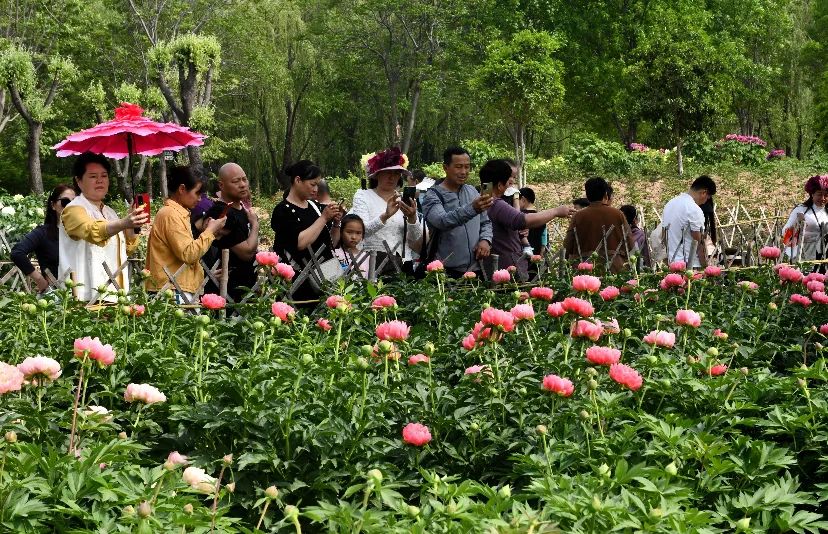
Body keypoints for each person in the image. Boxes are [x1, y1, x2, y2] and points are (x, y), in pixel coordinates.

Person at [59, 152, 148, 302]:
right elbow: (91, 230)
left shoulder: (110, 212)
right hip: (85, 297)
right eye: (93, 176)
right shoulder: (73, 209)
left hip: (115, 295)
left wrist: (133, 225)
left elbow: (126, 249)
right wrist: (124, 223)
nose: (100, 181)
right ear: (79, 181)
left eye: (104, 176)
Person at [145, 166, 226, 302]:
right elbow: (188, 254)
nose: (200, 199)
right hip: (171, 290)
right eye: (197, 193)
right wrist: (210, 231)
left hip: (178, 287)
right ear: (182, 189)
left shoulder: (178, 213)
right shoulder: (170, 214)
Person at [482, 159, 571, 279]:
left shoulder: (481, 200)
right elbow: (521, 220)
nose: (511, 183)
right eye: (508, 181)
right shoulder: (496, 204)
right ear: (499, 185)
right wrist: (556, 211)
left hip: (493, 266)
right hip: (506, 269)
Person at [271, 160, 343, 301]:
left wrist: (336, 223)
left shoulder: (315, 206)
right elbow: (300, 243)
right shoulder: (283, 211)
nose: (316, 189)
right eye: (312, 184)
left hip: (325, 277)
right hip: (299, 283)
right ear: (298, 180)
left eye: (317, 184)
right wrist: (323, 218)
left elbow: (331, 243)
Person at [422, 147, 494, 277]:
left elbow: (486, 222)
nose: (464, 172)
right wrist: (472, 209)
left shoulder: (472, 191)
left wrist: (485, 240)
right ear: (445, 167)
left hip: (475, 269)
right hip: (444, 271)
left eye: (467, 167)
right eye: (458, 167)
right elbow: (442, 221)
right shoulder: (433, 195)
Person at [197, 163, 260, 302]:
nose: (243, 184)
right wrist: (255, 225)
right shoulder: (222, 213)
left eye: (244, 179)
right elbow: (247, 253)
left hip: (247, 286)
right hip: (226, 291)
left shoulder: (242, 211)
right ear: (221, 185)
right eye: (236, 181)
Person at [350, 147, 423, 264]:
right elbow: (360, 232)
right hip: (373, 263)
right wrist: (385, 216)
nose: (392, 177)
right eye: (387, 172)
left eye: (396, 173)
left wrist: (412, 218)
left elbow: (415, 238)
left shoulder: (403, 200)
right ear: (377, 175)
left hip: (403, 264)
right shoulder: (363, 196)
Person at [11, 184, 75, 293]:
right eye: (65, 201)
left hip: (85, 297)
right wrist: (40, 280)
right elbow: (17, 252)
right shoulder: (43, 233)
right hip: (55, 298)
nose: (69, 206)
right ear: (53, 205)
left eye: (74, 203)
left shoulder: (83, 233)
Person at [563, 177, 633, 273]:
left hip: (586, 269)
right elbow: (630, 244)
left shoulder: (578, 216)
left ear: (587, 195)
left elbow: (568, 245)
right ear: (605, 194)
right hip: (614, 269)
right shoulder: (618, 214)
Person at [660, 175, 717, 268]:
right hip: (691, 266)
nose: (705, 202)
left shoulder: (669, 204)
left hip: (673, 264)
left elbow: (664, 237)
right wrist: (706, 267)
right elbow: (699, 244)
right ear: (704, 193)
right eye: (707, 198)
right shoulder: (694, 209)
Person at [782, 175, 828, 261]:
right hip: (804, 252)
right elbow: (785, 231)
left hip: (825, 252)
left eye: (826, 195)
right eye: (819, 194)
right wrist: (797, 225)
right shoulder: (801, 210)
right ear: (812, 194)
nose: (823, 198)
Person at [519, 187, 548, 256]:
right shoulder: (541, 217)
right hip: (536, 255)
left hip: (520, 254)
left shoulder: (519, 216)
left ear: (523, 199)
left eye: (517, 200)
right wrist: (541, 252)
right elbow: (544, 238)